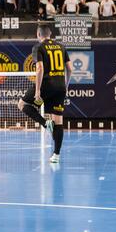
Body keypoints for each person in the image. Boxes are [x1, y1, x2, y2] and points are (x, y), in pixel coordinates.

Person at [18, 25, 73, 163]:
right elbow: (70, 69)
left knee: (22, 104)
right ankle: (56, 155)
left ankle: (44, 123)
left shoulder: (38, 47)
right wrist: (65, 86)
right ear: (50, 34)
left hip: (46, 85)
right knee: (59, 122)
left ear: (38, 34)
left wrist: (37, 90)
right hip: (60, 87)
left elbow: (40, 68)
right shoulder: (61, 46)